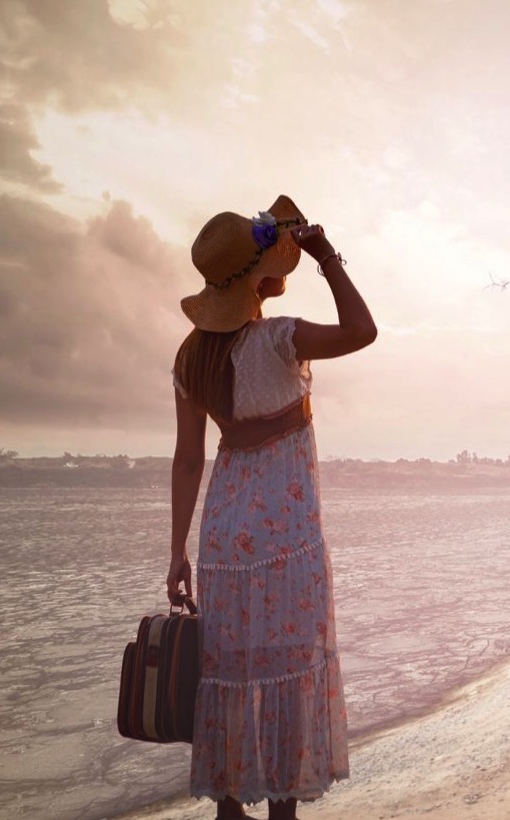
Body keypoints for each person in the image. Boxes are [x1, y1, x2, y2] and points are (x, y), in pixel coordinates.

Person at [167, 197, 376, 820]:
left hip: (225, 537)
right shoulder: (282, 338)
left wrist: (176, 551)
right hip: (286, 537)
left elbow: (186, 461)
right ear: (259, 276)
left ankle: (230, 808)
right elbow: (363, 331)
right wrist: (326, 258)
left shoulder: (189, 358)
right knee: (290, 671)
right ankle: (283, 810)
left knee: (230, 674)